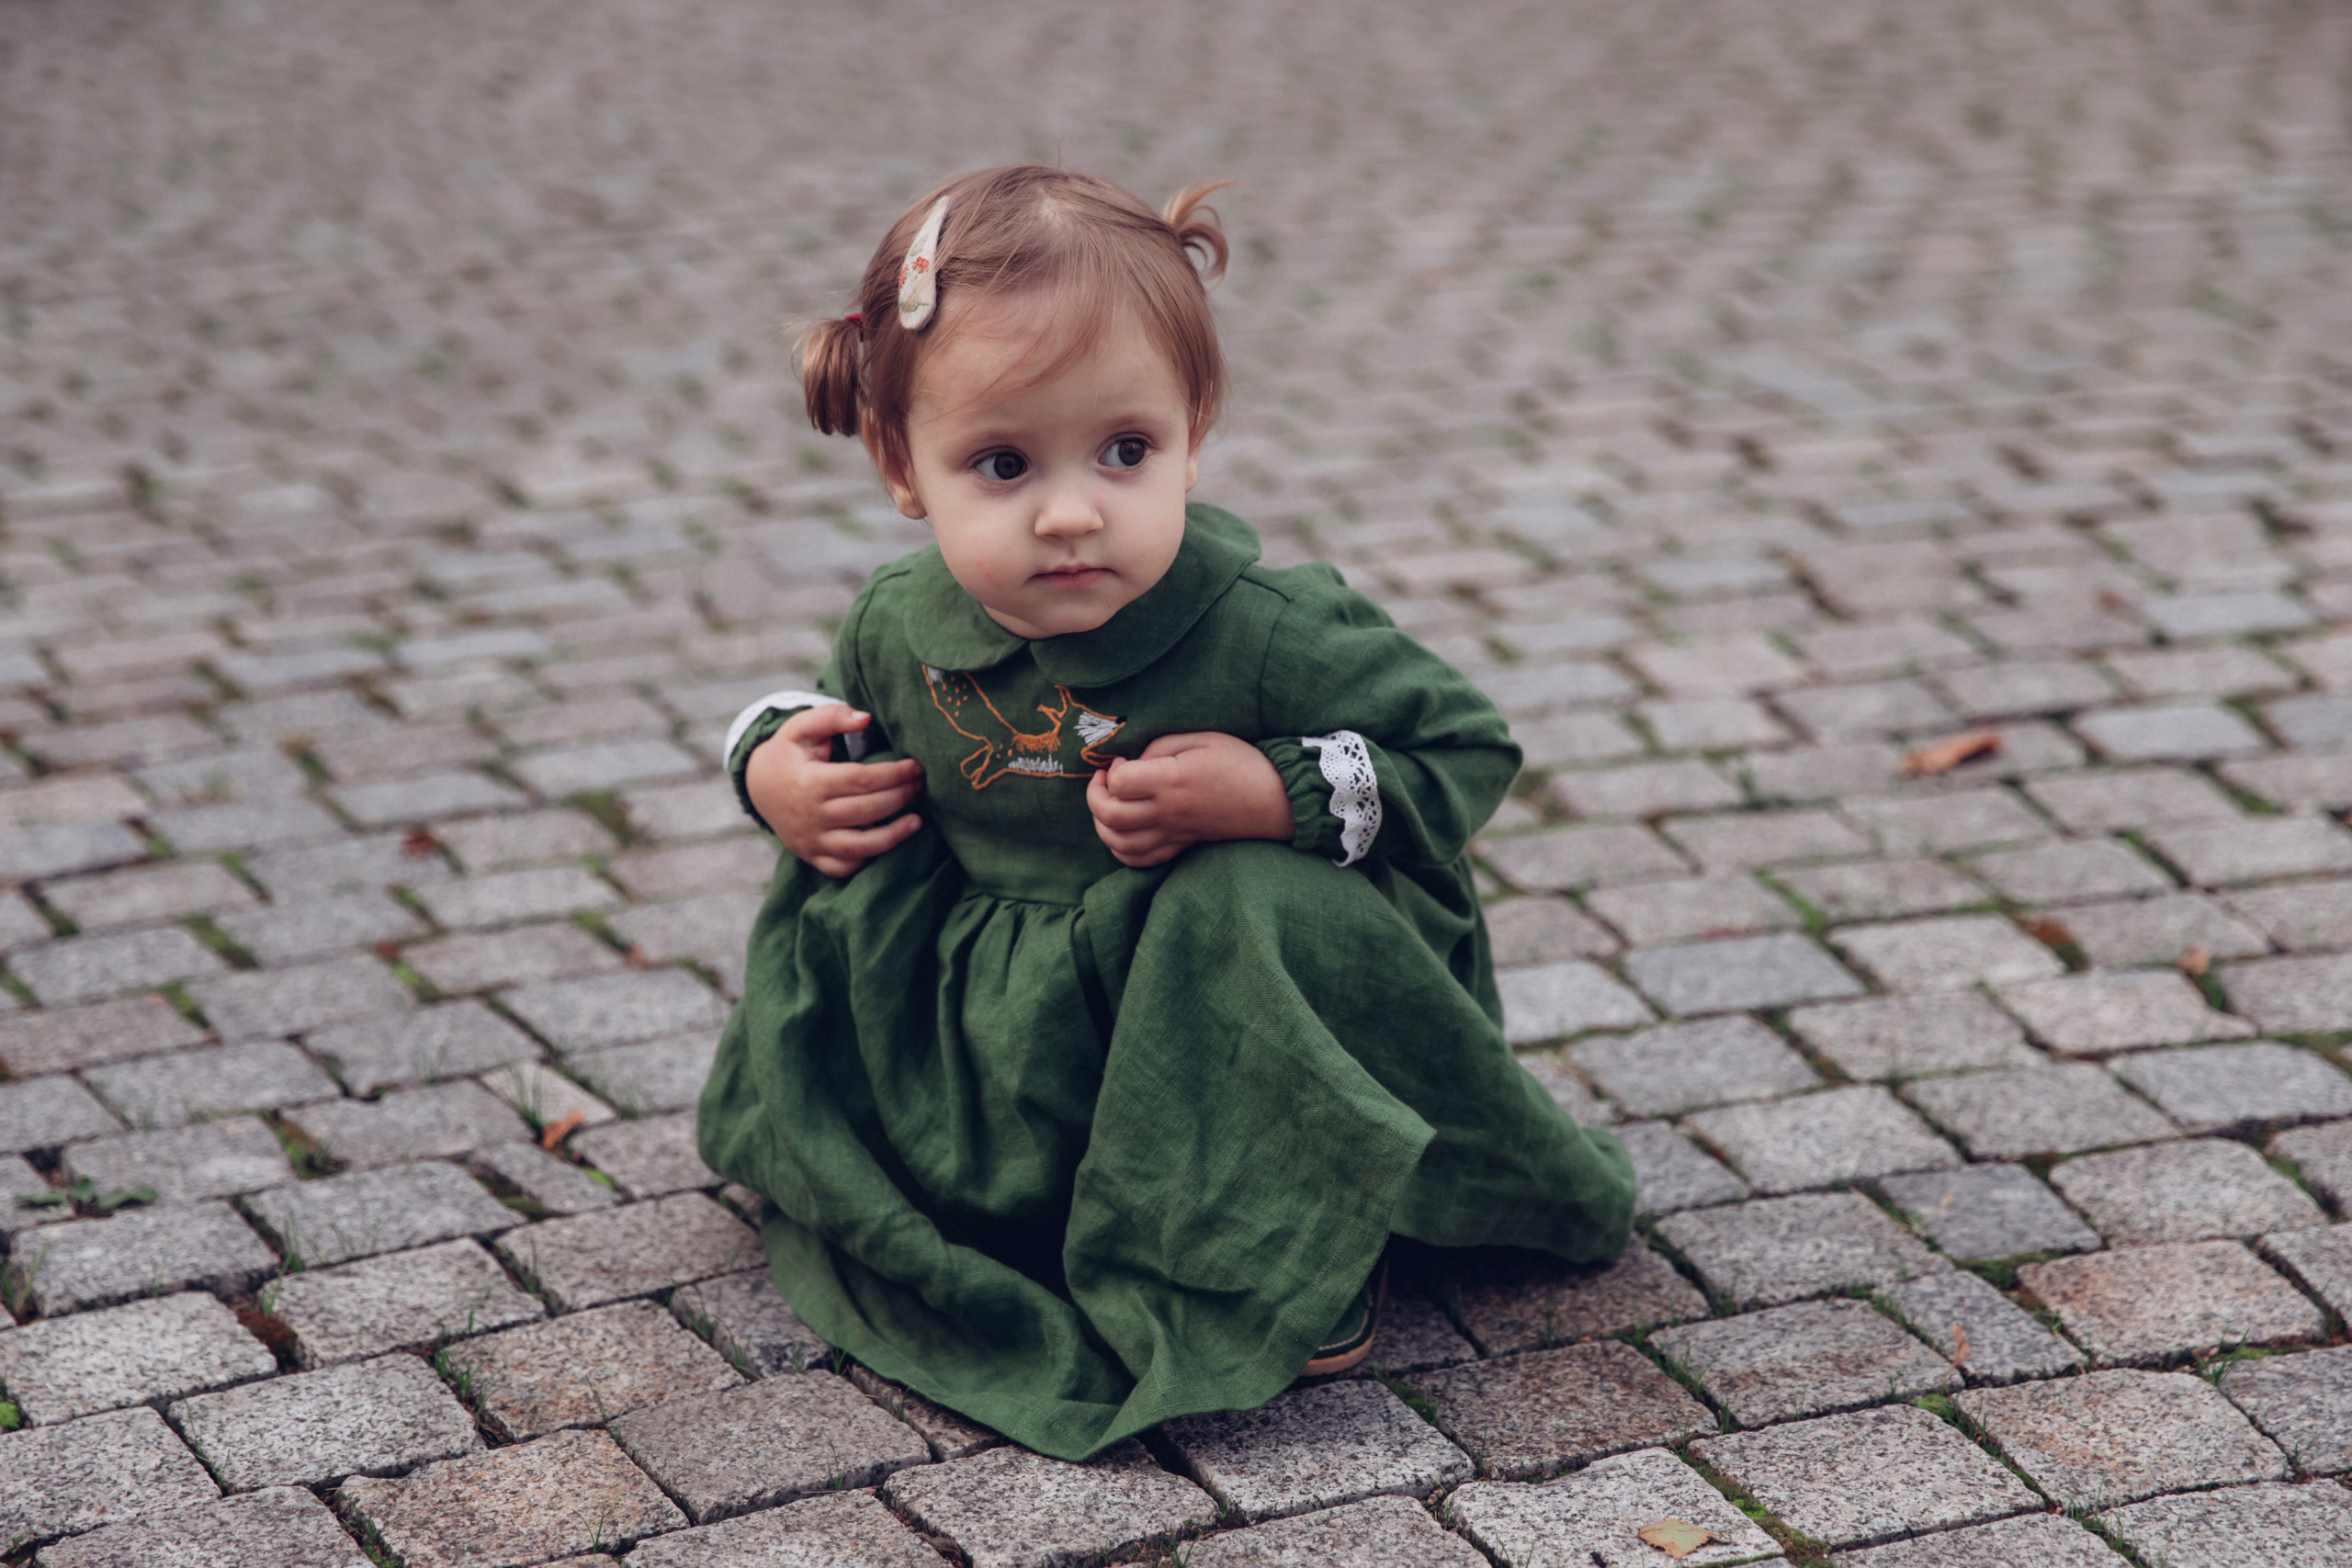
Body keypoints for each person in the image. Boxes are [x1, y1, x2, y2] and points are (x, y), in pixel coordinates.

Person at [700, 164, 1633, 1461]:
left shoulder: (1266, 631)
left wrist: (1274, 794)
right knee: (853, 852)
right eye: (1004, 463)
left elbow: (1464, 748)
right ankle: (988, 1184)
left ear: (1193, 427)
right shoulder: (902, 623)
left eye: (1125, 451)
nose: (1074, 511)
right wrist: (770, 770)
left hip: (1229, 1015)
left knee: (1236, 897)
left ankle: (1292, 1229)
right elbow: (831, 721)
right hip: (1013, 1033)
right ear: (900, 466)